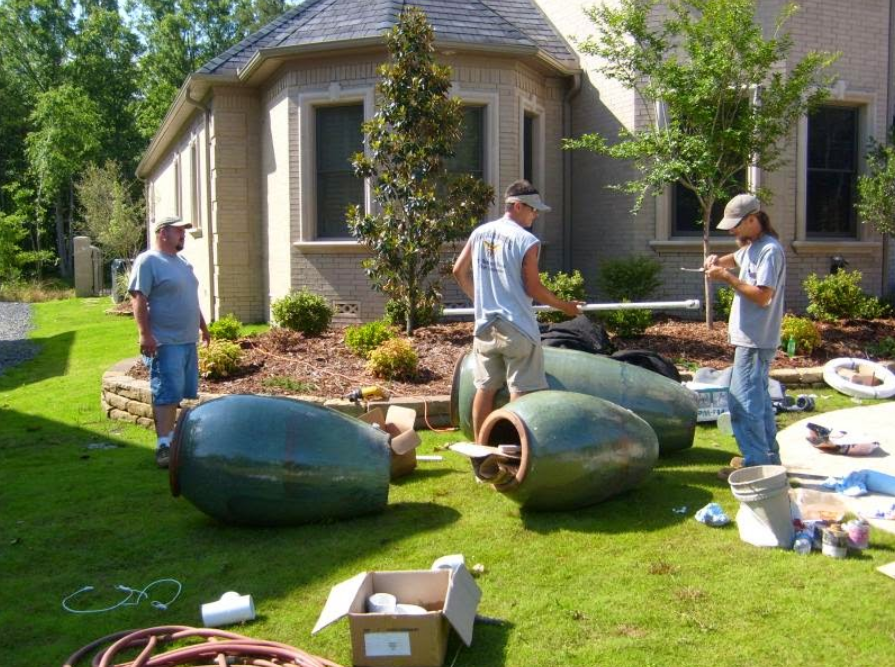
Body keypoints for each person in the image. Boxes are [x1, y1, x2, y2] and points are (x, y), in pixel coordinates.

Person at [453, 180, 583, 442]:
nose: (535, 215)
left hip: (485, 327)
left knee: (485, 389)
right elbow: (533, 288)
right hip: (518, 328)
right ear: (517, 206)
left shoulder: (481, 232)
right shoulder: (527, 241)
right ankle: (515, 452)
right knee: (521, 391)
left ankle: (483, 455)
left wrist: (479, 300)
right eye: (533, 210)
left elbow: (458, 270)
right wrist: (565, 307)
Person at [704, 194, 786, 479]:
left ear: (753, 219)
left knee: (743, 403)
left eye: (735, 226)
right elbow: (735, 258)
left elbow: (763, 296)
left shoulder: (770, 251)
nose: (731, 231)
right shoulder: (753, 246)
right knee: (760, 402)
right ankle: (768, 458)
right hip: (750, 338)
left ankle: (755, 466)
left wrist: (726, 278)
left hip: (755, 340)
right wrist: (717, 261)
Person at [128, 215, 210, 468]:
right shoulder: (148, 261)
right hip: (165, 341)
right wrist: (145, 334)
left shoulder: (182, 261)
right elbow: (138, 298)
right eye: (178, 231)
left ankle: (174, 440)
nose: (183, 234)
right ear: (163, 233)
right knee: (165, 392)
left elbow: (190, 298)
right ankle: (163, 445)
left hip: (186, 340)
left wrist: (203, 327)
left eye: (184, 231)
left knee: (178, 393)